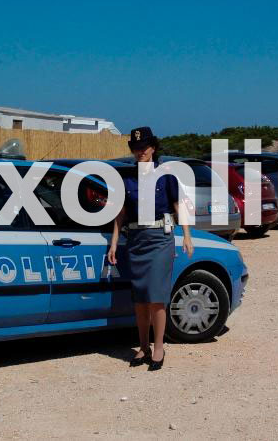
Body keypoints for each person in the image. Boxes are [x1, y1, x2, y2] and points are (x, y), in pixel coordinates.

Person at [106, 126, 194, 371]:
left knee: (156, 298)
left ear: (153, 148)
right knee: (140, 299)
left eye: (144, 147)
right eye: (135, 148)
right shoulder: (128, 179)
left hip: (160, 239)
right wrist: (114, 243)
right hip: (136, 241)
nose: (139, 152)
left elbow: (178, 206)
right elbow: (120, 215)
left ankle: (158, 347)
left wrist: (186, 235)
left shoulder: (166, 176)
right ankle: (143, 346)